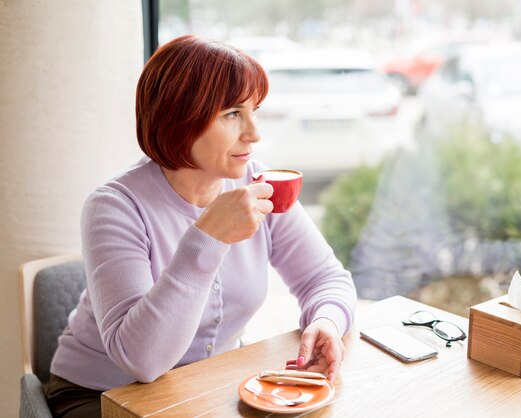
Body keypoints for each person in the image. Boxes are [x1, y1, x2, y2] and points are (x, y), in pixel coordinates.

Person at [44, 35, 357, 417]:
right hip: (104, 395)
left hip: (207, 387)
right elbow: (141, 362)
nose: (254, 133)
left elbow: (326, 278)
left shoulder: (260, 185)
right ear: (179, 119)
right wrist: (208, 238)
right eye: (232, 114)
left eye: (254, 110)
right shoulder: (113, 207)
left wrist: (325, 320)